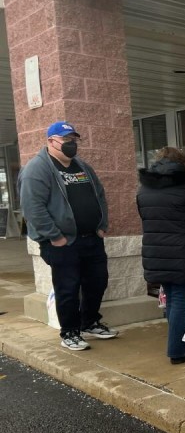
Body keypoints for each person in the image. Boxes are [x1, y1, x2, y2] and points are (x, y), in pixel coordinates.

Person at [19, 121, 118, 351]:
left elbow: (99, 195)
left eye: (74, 140)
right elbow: (33, 208)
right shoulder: (37, 169)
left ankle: (90, 322)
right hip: (62, 243)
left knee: (97, 282)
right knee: (68, 289)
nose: (71, 144)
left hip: (91, 238)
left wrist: (102, 225)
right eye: (66, 140)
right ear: (51, 141)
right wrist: (55, 236)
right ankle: (70, 332)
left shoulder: (82, 167)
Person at [136, 146, 185, 365]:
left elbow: (145, 217)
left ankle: (182, 345)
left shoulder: (144, 188)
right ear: (181, 164)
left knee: (171, 300)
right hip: (183, 252)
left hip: (156, 251)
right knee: (180, 301)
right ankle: (179, 351)